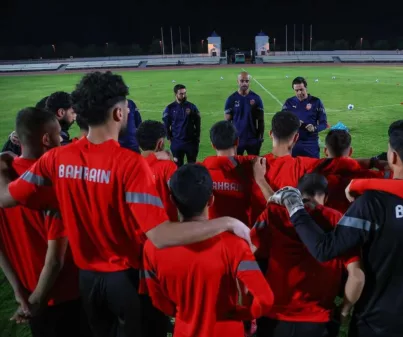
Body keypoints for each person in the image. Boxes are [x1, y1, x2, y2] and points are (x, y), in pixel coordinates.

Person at [0, 71, 251, 337]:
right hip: (126, 280)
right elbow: (161, 235)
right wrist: (227, 223)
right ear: (118, 113)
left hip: (85, 281)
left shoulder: (56, 159)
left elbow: (6, 197)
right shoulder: (129, 164)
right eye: (126, 106)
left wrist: (3, 164)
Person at [269, 120, 403, 337]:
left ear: (392, 156)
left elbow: (324, 248)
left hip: (374, 323)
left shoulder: (373, 203)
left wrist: (295, 205)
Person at [141, 164, 274, 337]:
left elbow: (159, 301)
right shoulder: (234, 245)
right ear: (211, 200)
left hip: (184, 329)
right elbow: (265, 299)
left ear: (172, 200)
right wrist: (241, 314)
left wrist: (184, 312)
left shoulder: (152, 247)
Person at [0, 107, 88, 337]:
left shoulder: (5, 174)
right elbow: (55, 260)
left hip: (29, 291)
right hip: (63, 294)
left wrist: (19, 291)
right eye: (59, 134)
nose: (62, 139)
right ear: (47, 139)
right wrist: (37, 299)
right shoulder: (52, 184)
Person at [252, 171, 364, 337]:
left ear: (297, 192)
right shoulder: (337, 220)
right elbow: (357, 275)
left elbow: (247, 257)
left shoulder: (272, 214)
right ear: (325, 197)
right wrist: (344, 311)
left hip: (273, 318)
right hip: (318, 322)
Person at [249, 111, 320, 223]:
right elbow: (341, 162)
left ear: (271, 133)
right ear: (296, 137)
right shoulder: (306, 165)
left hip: (258, 236)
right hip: (291, 236)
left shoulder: (253, 164)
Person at [312, 129, 384, 213]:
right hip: (354, 223)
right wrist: (374, 162)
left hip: (322, 223)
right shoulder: (368, 177)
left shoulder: (311, 175)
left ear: (325, 151)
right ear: (350, 151)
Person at [202, 121, 255, 226]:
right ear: (237, 142)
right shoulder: (252, 167)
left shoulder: (201, 171)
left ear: (213, 145)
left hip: (213, 235)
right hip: (242, 234)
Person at [136, 120, 178, 221]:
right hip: (166, 228)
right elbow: (181, 195)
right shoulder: (167, 166)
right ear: (160, 143)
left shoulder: (129, 165)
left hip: (139, 226)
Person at [282, 77, 328, 158]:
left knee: (313, 169)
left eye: (301, 89)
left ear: (306, 88)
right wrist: (293, 123)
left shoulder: (316, 102)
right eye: (296, 90)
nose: (299, 92)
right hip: (293, 143)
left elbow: (323, 123)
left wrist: (314, 128)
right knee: (294, 169)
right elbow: (282, 121)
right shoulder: (289, 102)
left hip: (311, 144)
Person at [224, 71, 265, 155]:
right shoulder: (231, 99)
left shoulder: (256, 98)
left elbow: (261, 120)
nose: (244, 83)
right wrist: (229, 139)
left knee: (254, 166)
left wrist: (260, 138)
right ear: (237, 81)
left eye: (247, 81)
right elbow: (227, 122)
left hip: (253, 139)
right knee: (237, 166)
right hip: (237, 139)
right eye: (242, 81)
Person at [163, 84, 201, 166]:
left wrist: (197, 138)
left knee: (192, 166)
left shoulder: (192, 107)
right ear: (175, 94)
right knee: (177, 167)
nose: (183, 95)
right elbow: (166, 125)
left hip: (191, 142)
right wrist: (169, 138)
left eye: (185, 93)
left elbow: (198, 123)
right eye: (181, 94)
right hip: (177, 142)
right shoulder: (170, 108)